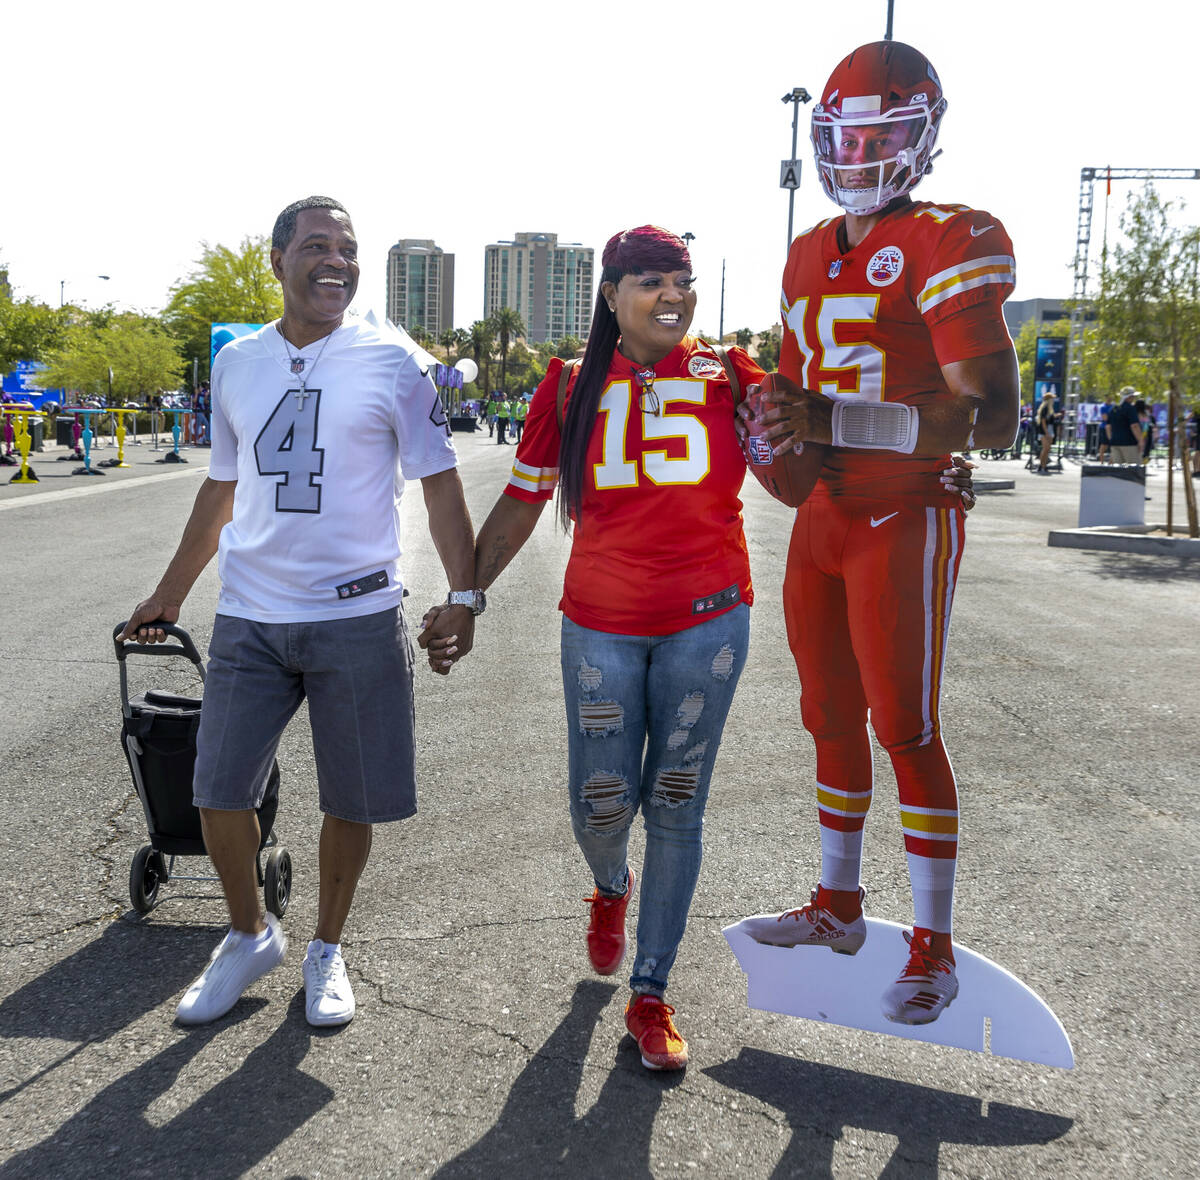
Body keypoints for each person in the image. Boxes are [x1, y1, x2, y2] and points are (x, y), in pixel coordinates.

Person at [421, 224, 993, 1065]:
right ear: (611, 295)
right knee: (601, 801)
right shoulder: (571, 383)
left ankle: (651, 993)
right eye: (649, 280)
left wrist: (919, 470)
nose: (670, 294)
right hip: (601, 625)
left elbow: (797, 486)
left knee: (678, 805)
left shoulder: (729, 373)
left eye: (680, 279)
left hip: (708, 619)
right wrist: (466, 595)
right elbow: (520, 499)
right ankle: (610, 886)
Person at [120, 196, 478, 1029]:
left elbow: (441, 482)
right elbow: (221, 486)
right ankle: (249, 935)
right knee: (215, 791)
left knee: (351, 798)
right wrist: (171, 590)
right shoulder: (239, 361)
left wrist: (464, 597)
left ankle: (326, 949)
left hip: (357, 615)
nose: (337, 261)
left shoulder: (395, 361)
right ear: (277, 259)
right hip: (251, 613)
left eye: (349, 249)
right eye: (317, 246)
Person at [740, 41, 1019, 1027]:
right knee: (826, 710)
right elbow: (795, 410)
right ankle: (838, 904)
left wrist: (825, 419)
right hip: (827, 516)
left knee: (904, 721)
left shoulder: (953, 236)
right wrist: (779, 438)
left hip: (908, 509)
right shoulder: (808, 250)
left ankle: (935, 944)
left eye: (880, 132)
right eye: (845, 131)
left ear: (924, 135)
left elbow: (992, 418)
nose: (858, 150)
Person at [1108, 386, 1143, 464]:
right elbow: (1134, 426)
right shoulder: (1130, 408)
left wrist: (1111, 439)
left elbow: (1108, 427)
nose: (1134, 398)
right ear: (1129, 397)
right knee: (1134, 470)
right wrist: (1141, 441)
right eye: (1133, 396)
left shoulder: (1114, 409)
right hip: (1129, 444)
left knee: (1118, 472)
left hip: (1115, 443)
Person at [1035, 391, 1057, 473]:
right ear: (1049, 399)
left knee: (1048, 449)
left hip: (1049, 429)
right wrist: (1046, 432)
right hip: (1044, 430)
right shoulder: (1044, 408)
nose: (1053, 400)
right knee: (1045, 448)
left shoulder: (1050, 409)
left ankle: (1044, 465)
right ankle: (1041, 465)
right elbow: (1043, 421)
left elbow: (1050, 420)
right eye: (1052, 398)